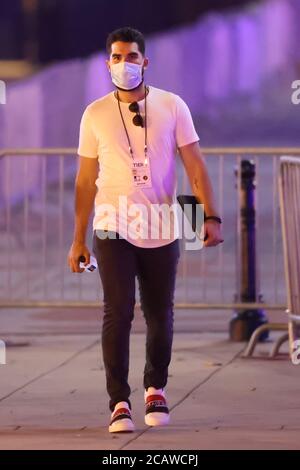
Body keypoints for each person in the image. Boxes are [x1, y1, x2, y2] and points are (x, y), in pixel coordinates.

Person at [67, 27, 223, 433]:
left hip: (161, 224)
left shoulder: (173, 106)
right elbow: (85, 181)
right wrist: (77, 239)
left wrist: (210, 217)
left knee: (159, 313)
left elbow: (195, 166)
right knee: (117, 311)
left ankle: (156, 388)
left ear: (145, 61)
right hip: (112, 225)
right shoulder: (95, 113)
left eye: (132, 56)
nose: (124, 64)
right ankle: (119, 401)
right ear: (107, 63)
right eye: (116, 58)